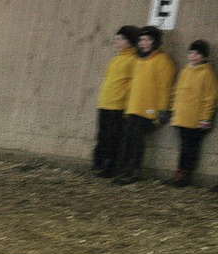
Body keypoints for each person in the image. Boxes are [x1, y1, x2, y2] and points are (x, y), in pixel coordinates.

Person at [113, 25, 176, 185]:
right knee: (128, 140)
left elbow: (165, 87)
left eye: (148, 39)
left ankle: (132, 171)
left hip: (147, 109)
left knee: (136, 142)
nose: (143, 43)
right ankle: (123, 170)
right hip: (133, 107)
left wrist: (163, 109)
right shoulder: (137, 60)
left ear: (155, 42)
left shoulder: (163, 61)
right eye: (141, 39)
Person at [167, 40, 218, 187]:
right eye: (191, 53)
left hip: (195, 120)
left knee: (190, 148)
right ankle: (180, 171)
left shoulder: (207, 74)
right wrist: (173, 110)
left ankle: (185, 173)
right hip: (182, 117)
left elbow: (211, 98)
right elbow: (177, 92)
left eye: (197, 54)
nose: (193, 56)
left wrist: (206, 118)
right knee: (184, 146)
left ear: (204, 57)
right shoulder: (185, 71)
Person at [92, 25, 139, 178]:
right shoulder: (116, 59)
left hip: (118, 105)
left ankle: (111, 165)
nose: (118, 41)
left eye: (121, 39)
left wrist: (126, 105)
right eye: (117, 38)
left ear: (130, 41)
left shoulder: (133, 60)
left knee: (113, 137)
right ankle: (100, 162)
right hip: (105, 103)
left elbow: (132, 85)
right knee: (103, 135)